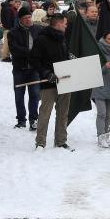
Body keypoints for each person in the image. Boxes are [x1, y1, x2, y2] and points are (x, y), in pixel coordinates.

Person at [29, 14, 72, 150]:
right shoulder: (42, 39)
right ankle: (40, 142)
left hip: (64, 81)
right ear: (58, 24)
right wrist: (46, 73)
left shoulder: (63, 38)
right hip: (48, 82)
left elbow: (63, 57)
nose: (66, 26)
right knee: (45, 113)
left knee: (63, 113)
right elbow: (34, 60)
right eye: (65, 23)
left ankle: (60, 140)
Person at [8, 6, 42, 129]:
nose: (28, 20)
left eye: (29, 17)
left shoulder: (37, 30)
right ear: (20, 19)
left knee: (35, 95)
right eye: (25, 18)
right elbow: (14, 49)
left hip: (34, 69)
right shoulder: (13, 32)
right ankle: (21, 120)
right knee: (19, 95)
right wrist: (31, 52)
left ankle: (33, 120)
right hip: (19, 69)